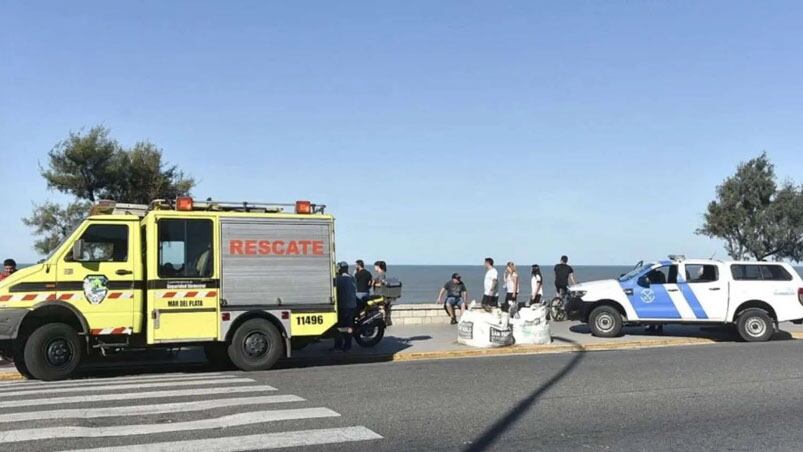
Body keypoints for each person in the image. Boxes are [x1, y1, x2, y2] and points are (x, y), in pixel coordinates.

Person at [332, 262, 357, 352]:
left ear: (340, 269)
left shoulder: (339, 279)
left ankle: (338, 345)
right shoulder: (352, 278)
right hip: (352, 305)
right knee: (349, 325)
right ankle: (348, 345)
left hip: (343, 306)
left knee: (339, 327)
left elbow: (335, 291)